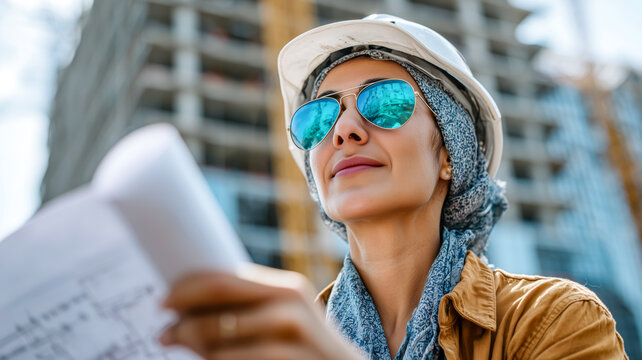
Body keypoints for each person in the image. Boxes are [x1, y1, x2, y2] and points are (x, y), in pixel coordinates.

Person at [158, 14, 628, 359]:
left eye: (385, 102)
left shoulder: (552, 320)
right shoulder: (269, 340)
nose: (344, 130)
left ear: (450, 153)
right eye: (318, 117)